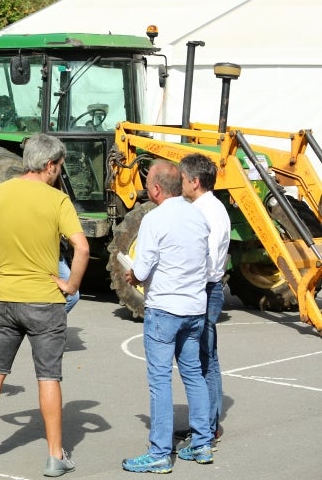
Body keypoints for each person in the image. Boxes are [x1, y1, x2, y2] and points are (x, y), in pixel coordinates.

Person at [0, 133, 88, 477]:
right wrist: (71, 284)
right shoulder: (57, 200)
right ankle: (54, 456)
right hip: (44, 301)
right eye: (59, 167)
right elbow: (82, 248)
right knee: (48, 377)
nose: (59, 173)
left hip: (6, 298)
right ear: (49, 165)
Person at [121, 160, 214, 474]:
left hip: (165, 309)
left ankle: (160, 452)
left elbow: (143, 269)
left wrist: (132, 276)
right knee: (193, 374)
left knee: (160, 380)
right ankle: (202, 442)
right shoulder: (198, 216)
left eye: (147, 183)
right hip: (194, 307)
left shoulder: (154, 219)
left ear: (156, 189)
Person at [175, 153, 230, 451]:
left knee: (205, 359)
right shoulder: (208, 207)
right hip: (206, 287)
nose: (181, 184)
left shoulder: (207, 212)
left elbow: (204, 258)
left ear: (194, 182)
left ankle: (207, 427)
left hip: (205, 288)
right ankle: (206, 422)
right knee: (205, 358)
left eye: (183, 179)